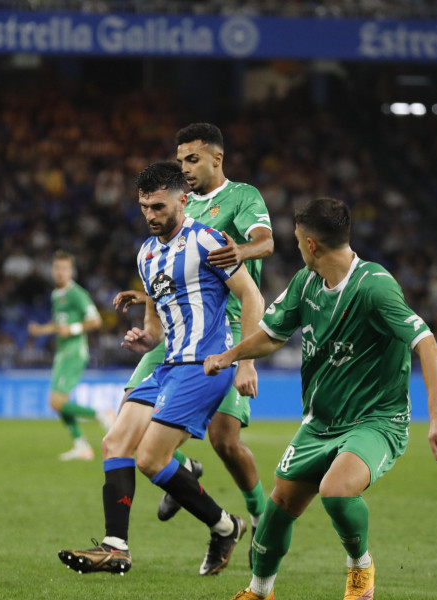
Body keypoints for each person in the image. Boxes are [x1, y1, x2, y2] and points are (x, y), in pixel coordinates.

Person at [203, 197, 437, 600]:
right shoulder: (306, 284)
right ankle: (259, 591)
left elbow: (428, 346)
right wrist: (230, 356)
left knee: (336, 490)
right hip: (320, 422)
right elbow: (272, 335)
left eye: (297, 240)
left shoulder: (374, 286)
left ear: (310, 245)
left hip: (376, 420)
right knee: (277, 510)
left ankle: (361, 568)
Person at [58, 161, 264, 576]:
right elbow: (156, 324)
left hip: (204, 366)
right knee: (115, 444)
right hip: (169, 363)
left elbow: (252, 298)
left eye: (157, 206)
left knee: (151, 459)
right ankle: (121, 545)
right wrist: (145, 339)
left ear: (181, 200)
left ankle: (225, 525)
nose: (150, 215)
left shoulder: (208, 241)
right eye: (143, 207)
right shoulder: (147, 254)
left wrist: (244, 360)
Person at [119, 123, 275, 541]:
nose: (184, 168)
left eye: (192, 159)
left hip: (224, 328)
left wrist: (239, 250)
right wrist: (146, 292)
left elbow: (265, 241)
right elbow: (177, 268)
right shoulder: (174, 205)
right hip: (172, 331)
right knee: (125, 427)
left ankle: (259, 516)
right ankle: (182, 473)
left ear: (216, 159)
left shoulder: (241, 197)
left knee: (225, 440)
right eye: (180, 160)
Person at [28, 250, 110, 461]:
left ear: (71, 271)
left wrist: (73, 329)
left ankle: (102, 414)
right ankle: (81, 446)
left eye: (64, 268)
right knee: (57, 403)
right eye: (57, 268)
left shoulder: (77, 294)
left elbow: (96, 321)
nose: (60, 272)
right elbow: (58, 325)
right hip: (62, 353)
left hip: (73, 352)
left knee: (56, 402)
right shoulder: (57, 294)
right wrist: (40, 331)